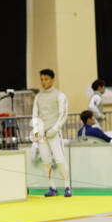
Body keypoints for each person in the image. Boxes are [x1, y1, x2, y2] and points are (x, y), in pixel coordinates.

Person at [32, 68, 70, 197]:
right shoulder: (38, 97)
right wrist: (36, 130)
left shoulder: (60, 95)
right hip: (42, 135)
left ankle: (67, 186)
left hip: (54, 133)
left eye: (46, 79)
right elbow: (35, 115)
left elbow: (63, 114)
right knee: (46, 161)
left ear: (52, 79)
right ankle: (52, 187)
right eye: (42, 79)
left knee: (59, 159)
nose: (43, 82)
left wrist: (55, 129)